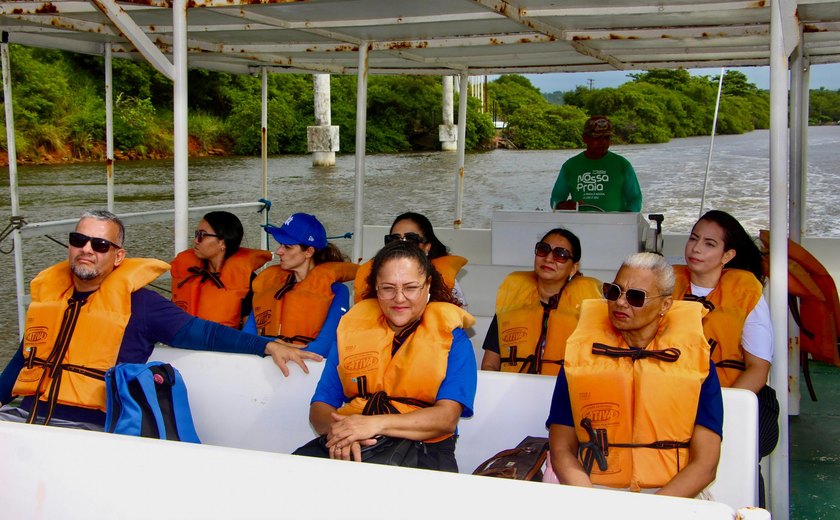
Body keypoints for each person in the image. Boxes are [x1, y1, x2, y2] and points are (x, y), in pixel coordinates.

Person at [0, 210, 321, 431]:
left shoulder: (143, 305)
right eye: (78, 240)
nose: (86, 250)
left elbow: (203, 333)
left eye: (99, 245)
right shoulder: (49, 300)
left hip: (86, 426)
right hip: (22, 415)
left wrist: (267, 345)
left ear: (117, 256)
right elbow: (20, 363)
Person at [546, 253, 722, 498]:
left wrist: (652, 510)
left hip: (673, 496)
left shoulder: (698, 365)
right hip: (592, 492)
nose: (620, 302)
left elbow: (706, 465)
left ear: (665, 305)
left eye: (635, 297)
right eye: (614, 291)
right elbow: (561, 447)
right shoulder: (579, 358)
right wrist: (589, 501)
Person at [297, 240, 477, 471]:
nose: (399, 298)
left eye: (411, 287)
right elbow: (320, 409)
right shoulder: (351, 332)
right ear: (376, 288)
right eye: (388, 288)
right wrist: (345, 431)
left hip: (425, 448)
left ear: (428, 285)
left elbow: (446, 419)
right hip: (351, 441)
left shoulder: (455, 340)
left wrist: (373, 425)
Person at [674, 210, 778, 503]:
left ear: (727, 255)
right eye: (694, 239)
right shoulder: (666, 285)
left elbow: (758, 368)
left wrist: (719, 405)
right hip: (673, 397)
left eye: (709, 244)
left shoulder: (746, 292)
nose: (695, 248)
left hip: (733, 395)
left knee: (745, 454)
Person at [480, 227, 601, 375]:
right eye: (543, 249)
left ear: (573, 268)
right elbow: (489, 364)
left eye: (560, 254)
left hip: (563, 393)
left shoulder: (589, 312)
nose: (549, 258)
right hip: (514, 392)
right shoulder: (512, 304)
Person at [246, 213, 358, 356]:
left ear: (309, 252)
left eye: (287, 246)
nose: (279, 251)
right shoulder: (269, 285)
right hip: (263, 368)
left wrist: (270, 346)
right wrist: (275, 347)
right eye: (280, 245)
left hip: (309, 372)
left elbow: (325, 347)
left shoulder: (337, 291)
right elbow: (247, 339)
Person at [170, 211, 272, 328]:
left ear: (222, 243)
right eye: (196, 234)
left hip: (223, 345)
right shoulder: (189, 275)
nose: (196, 240)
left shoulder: (248, 282)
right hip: (181, 344)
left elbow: (250, 335)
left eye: (202, 235)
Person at [354, 212, 468, 307]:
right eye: (394, 239)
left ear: (426, 247)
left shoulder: (447, 283)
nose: (402, 245)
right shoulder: (371, 278)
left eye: (411, 239)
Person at [550, 115, 642, 212]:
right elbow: (556, 198)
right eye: (597, 138)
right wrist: (562, 205)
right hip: (579, 225)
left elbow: (635, 198)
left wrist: (627, 218)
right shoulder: (570, 166)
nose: (603, 142)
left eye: (607, 138)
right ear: (585, 138)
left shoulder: (622, 165)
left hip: (615, 225)